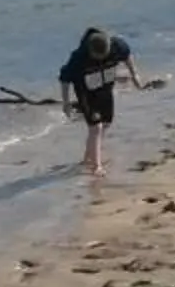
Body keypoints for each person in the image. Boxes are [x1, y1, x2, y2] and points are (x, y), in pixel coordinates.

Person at [58, 28, 141, 177]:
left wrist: (134, 74)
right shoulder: (78, 58)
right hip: (86, 92)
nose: (102, 59)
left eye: (105, 56)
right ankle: (97, 166)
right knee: (95, 127)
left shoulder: (117, 45)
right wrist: (66, 103)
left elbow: (127, 55)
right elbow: (64, 79)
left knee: (106, 124)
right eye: (98, 57)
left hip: (105, 88)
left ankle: (87, 157)